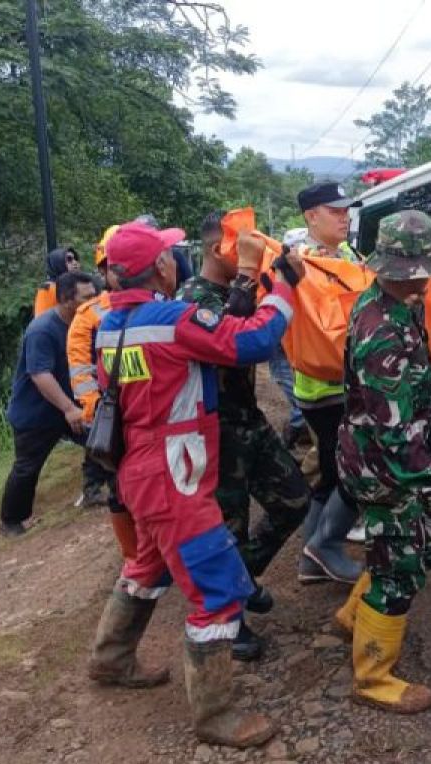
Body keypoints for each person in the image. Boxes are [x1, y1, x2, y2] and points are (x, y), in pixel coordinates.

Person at [86, 221, 297, 748]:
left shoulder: (113, 324)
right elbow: (253, 341)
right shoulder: (171, 320)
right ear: (160, 268)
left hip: (139, 470)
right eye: (167, 254)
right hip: (173, 479)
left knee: (146, 567)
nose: (173, 259)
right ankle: (215, 715)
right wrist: (284, 288)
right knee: (218, 593)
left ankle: (110, 659)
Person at [330, 211, 431, 714]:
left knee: (416, 545)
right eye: (426, 270)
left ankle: (356, 614)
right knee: (402, 564)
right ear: (409, 269)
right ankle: (372, 677)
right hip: (384, 467)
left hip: (389, 460)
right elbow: (395, 435)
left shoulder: (394, 303)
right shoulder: (382, 335)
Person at [177, 211, 311, 662]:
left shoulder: (240, 288)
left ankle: (241, 579)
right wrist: (251, 275)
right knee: (226, 527)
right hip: (216, 431)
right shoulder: (191, 297)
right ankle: (229, 621)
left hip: (249, 420)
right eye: (243, 245)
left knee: (295, 500)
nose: (253, 251)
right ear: (218, 250)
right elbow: (229, 343)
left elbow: (267, 327)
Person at [274, 181, 365, 585]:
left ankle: (314, 558)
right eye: (336, 211)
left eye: (346, 211)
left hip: (350, 383)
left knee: (332, 473)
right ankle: (320, 549)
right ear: (311, 216)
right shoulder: (298, 264)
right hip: (322, 389)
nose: (345, 217)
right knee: (348, 472)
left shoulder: (348, 255)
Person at [0, 271, 98, 536]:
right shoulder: (42, 330)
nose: (95, 301)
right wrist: (68, 409)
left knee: (100, 440)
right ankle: (12, 521)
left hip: (69, 406)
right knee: (27, 467)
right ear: (67, 300)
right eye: (87, 297)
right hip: (37, 413)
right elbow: (40, 375)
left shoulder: (84, 323)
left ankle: (93, 490)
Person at [68, 224, 137, 556]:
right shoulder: (88, 316)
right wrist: (97, 410)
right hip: (115, 412)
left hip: (150, 408)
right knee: (120, 489)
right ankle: (134, 557)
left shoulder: (158, 300)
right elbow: (80, 368)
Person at [270, 228, 309, 448]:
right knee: (297, 399)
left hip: (297, 344)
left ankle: (296, 435)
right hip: (282, 343)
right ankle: (289, 441)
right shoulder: (280, 272)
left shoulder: (309, 271)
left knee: (299, 397)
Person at [34, 246, 81, 317]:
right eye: (69, 259)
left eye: (75, 259)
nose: (75, 262)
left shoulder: (77, 286)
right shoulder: (48, 288)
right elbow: (40, 320)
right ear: (58, 262)